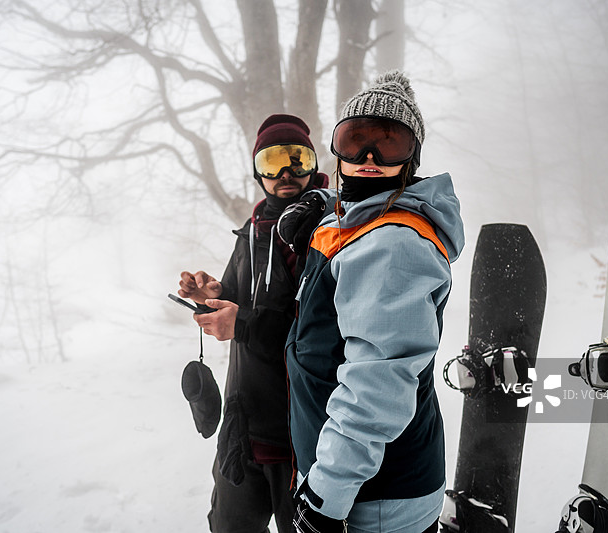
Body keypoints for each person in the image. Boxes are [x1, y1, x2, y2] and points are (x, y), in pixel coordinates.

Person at [280, 71, 465, 532]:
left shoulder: (394, 243)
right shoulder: (360, 219)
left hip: (373, 494)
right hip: (357, 471)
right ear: (336, 150)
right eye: (354, 140)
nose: (368, 158)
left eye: (390, 144)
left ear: (412, 159)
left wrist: (328, 491)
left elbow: (378, 382)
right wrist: (321, 201)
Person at [178, 114, 328, 533]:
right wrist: (211, 291)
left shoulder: (329, 229)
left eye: (296, 160)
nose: (285, 173)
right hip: (244, 427)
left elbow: (319, 330)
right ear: (257, 171)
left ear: (313, 165)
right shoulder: (253, 230)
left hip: (299, 432)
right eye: (272, 161)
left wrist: (240, 324)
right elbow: (239, 298)